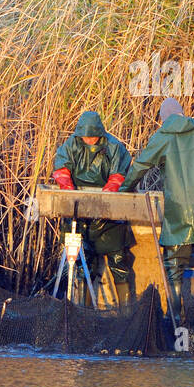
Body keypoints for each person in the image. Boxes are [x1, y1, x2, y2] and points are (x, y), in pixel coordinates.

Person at [122, 98, 194, 323]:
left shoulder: (163, 136)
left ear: (163, 119)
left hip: (178, 210)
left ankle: (174, 318)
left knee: (174, 264)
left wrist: (124, 188)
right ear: (183, 113)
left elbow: (140, 166)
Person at [51, 110, 135, 308]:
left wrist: (106, 196)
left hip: (110, 213)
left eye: (92, 136)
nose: (89, 139)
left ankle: (126, 313)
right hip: (79, 211)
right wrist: (69, 190)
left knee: (119, 261)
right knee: (85, 263)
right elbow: (61, 169)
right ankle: (85, 311)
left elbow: (118, 176)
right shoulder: (71, 144)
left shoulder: (114, 147)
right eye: (85, 136)